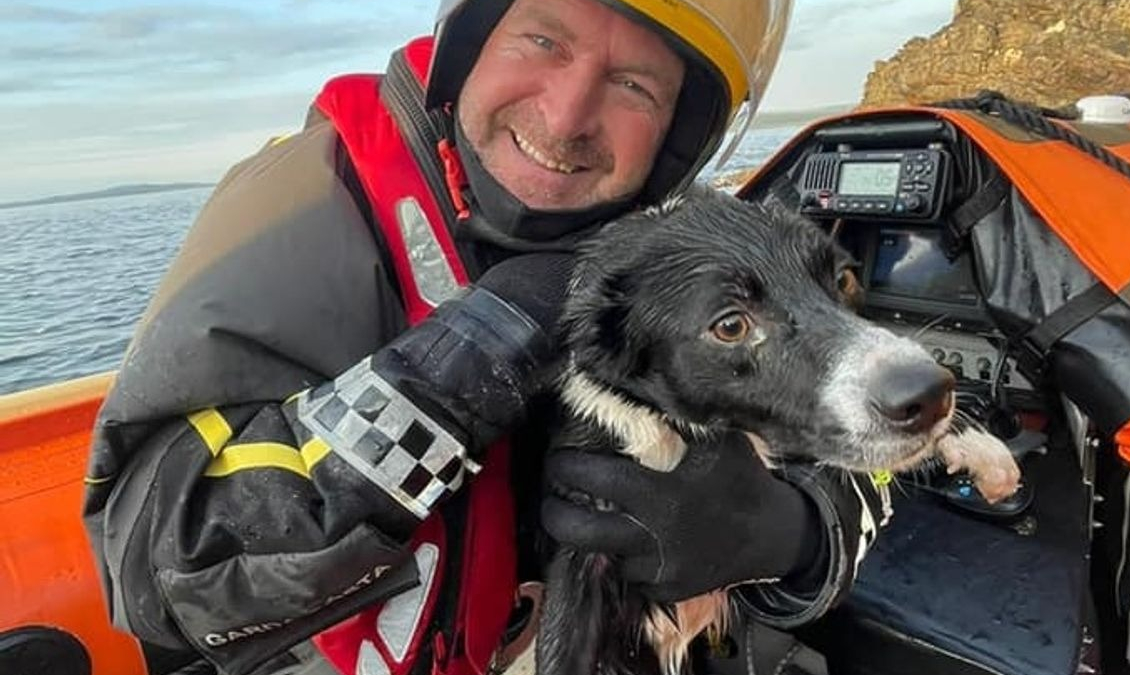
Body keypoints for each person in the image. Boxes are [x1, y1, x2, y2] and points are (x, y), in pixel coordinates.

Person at [82, 0, 890, 674]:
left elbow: (871, 448)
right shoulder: (301, 207)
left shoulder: (691, 253)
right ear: (470, 44)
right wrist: (475, 351)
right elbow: (162, 563)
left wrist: (787, 534)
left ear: (680, 134)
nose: (566, 116)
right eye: (544, 38)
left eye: (633, 85)